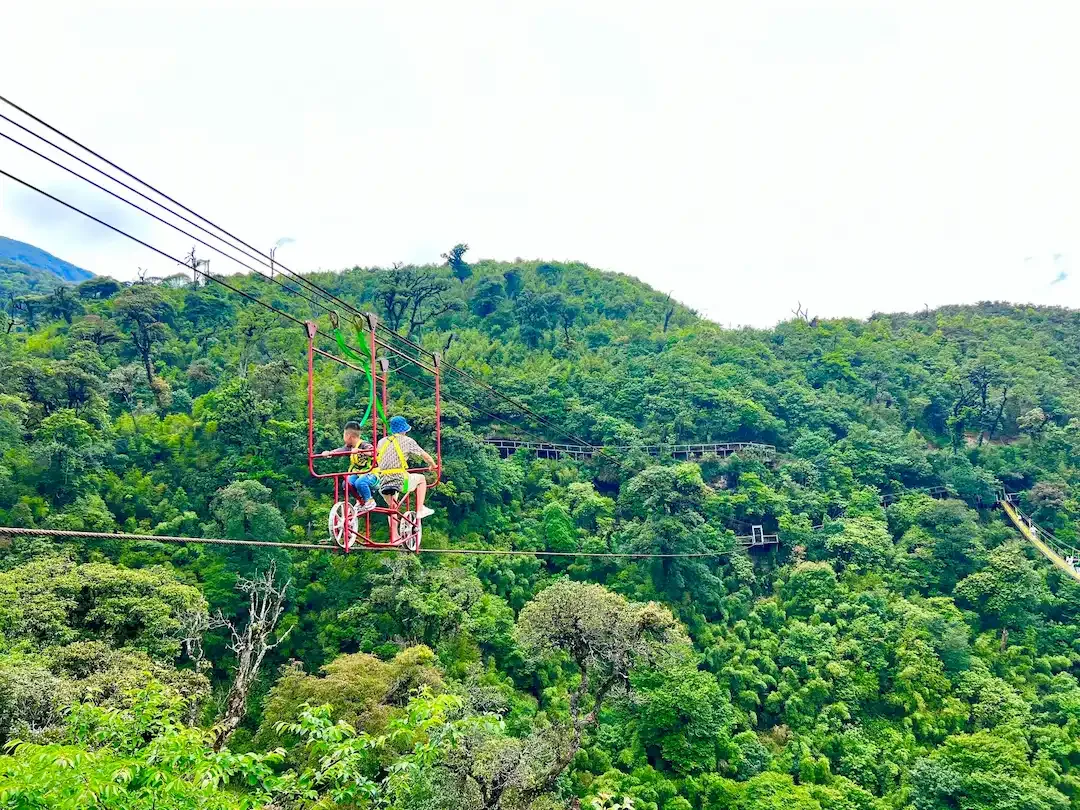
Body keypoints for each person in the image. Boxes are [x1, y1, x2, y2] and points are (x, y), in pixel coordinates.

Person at [376, 415, 436, 520]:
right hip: (400, 480)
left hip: (383, 482)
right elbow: (424, 456)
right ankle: (420, 509)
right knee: (421, 479)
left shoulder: (381, 442)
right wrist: (433, 465)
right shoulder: (407, 441)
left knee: (392, 509)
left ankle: (394, 535)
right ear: (404, 429)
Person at [321, 420, 378, 514]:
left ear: (348, 436)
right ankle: (360, 501)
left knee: (360, 482)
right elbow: (341, 450)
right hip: (358, 474)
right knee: (346, 483)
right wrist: (330, 453)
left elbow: (373, 452)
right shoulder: (349, 447)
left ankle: (369, 500)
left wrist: (360, 451)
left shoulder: (364, 444)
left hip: (372, 475)